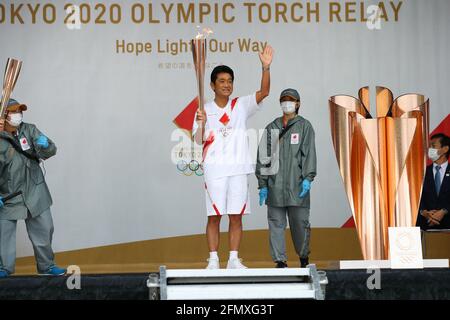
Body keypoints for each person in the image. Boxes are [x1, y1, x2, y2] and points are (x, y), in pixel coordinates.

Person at [193, 45, 274, 269]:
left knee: (236, 216)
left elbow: (264, 92)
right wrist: (200, 123)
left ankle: (234, 259)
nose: (227, 84)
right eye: (222, 81)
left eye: (229, 80)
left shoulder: (240, 105)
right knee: (214, 216)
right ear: (212, 85)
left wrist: (265, 67)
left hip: (238, 168)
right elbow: (198, 140)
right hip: (215, 170)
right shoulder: (203, 109)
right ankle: (212, 260)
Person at [0, 98, 66, 278]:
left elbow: (50, 150)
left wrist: (46, 146)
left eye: (19, 111)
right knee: (3, 233)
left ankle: (46, 266)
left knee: (45, 228)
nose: (18, 115)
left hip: (35, 190)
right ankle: (4, 267)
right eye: (14, 112)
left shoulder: (29, 130)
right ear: (4, 116)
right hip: (9, 194)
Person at [256, 89, 316, 268]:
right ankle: (280, 261)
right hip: (275, 187)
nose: (287, 103)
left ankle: (304, 258)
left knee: (300, 225)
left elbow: (309, 154)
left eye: (291, 100)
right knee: (276, 225)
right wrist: (263, 185)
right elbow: (263, 157)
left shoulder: (304, 126)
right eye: (283, 100)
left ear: (298, 103)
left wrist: (308, 178)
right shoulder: (272, 127)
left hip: (297, 187)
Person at [417, 133, 450, 230]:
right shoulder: (422, 172)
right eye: (430, 146)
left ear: (445, 149)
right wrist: (424, 212)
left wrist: (444, 211)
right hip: (426, 227)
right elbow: (416, 197)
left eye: (433, 146)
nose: (430, 149)